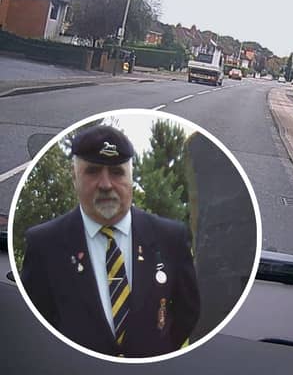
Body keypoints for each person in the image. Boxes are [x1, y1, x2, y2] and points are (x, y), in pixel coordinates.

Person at [20, 125, 200, 358]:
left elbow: (188, 312)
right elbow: (34, 323)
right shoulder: (44, 244)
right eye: (93, 171)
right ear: (74, 177)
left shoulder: (171, 237)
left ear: (130, 177)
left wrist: (157, 353)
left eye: (116, 172)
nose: (105, 184)